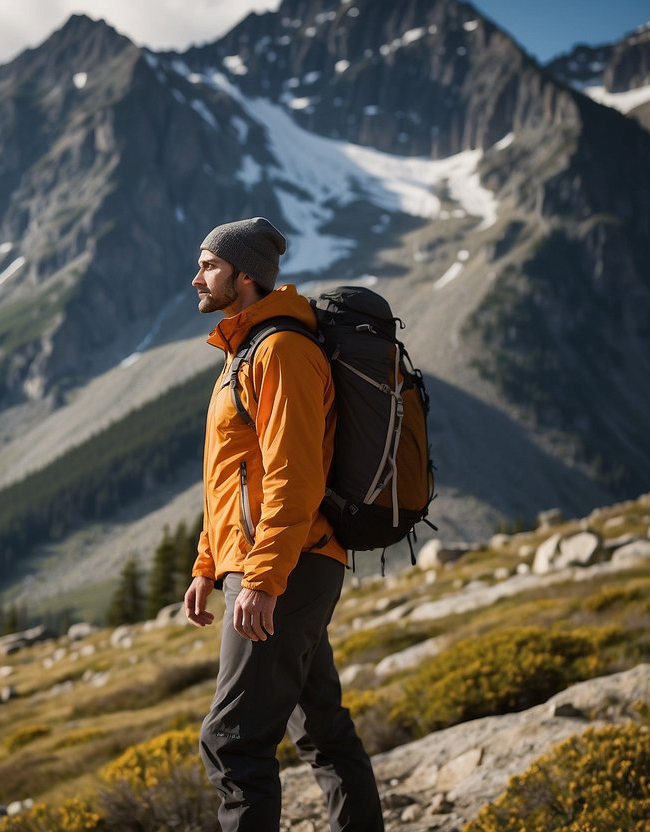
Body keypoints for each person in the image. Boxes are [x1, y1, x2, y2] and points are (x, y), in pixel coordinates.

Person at [184, 217, 384, 832]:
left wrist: (263, 579)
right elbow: (232, 475)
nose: (197, 276)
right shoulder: (246, 350)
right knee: (322, 727)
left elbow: (292, 476)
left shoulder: (282, 352)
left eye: (210, 265)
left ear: (245, 276)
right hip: (273, 562)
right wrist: (206, 566)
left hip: (284, 566)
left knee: (233, 743)